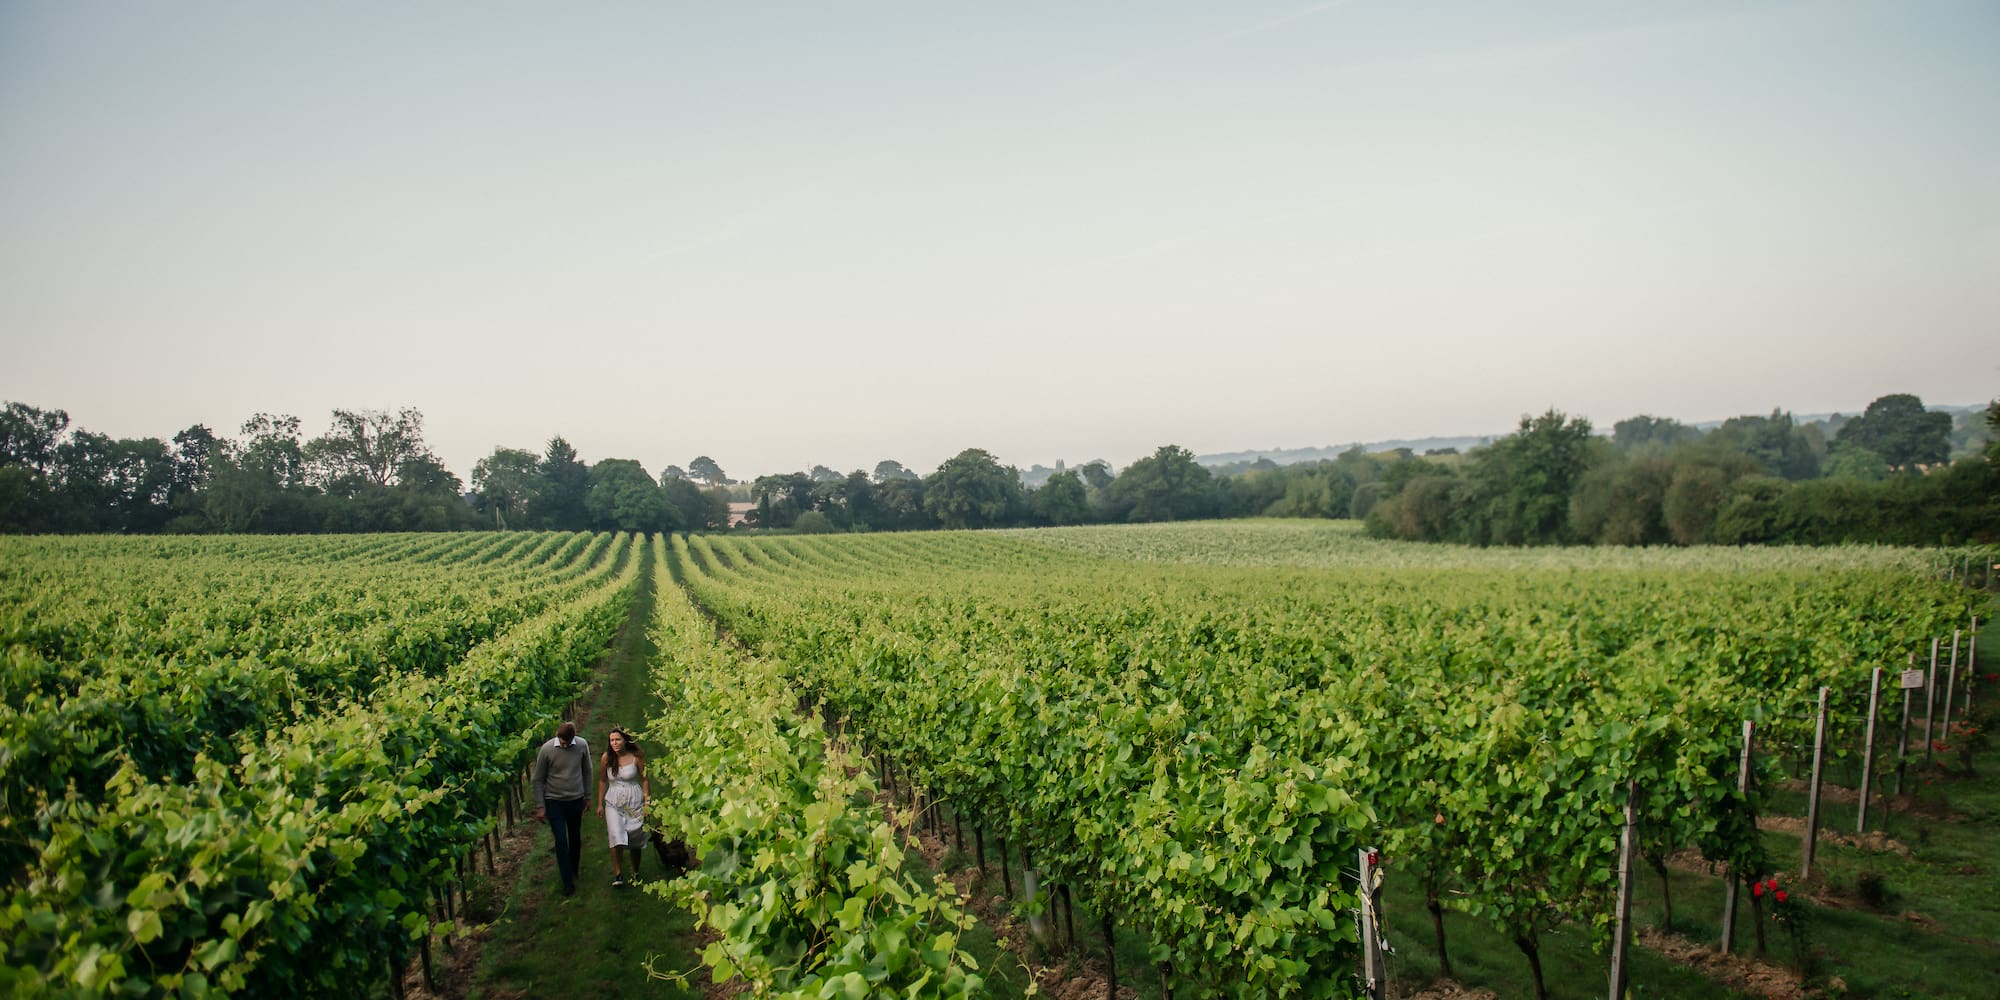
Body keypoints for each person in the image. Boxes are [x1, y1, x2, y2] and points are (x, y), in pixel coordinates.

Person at [531, 720, 593, 897]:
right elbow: (538, 779)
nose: (564, 746)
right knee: (561, 840)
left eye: (567, 743)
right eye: (562, 743)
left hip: (575, 799)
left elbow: (587, 771)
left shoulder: (581, 745)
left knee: (575, 838)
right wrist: (540, 806)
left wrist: (587, 796)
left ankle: (574, 868)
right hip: (554, 801)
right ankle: (567, 882)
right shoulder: (547, 749)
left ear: (573, 738)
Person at [597, 727, 651, 886]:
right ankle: (618, 874)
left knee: (635, 836)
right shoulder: (607, 758)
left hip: (633, 799)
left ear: (625, 740)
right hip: (614, 801)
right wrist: (599, 803)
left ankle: (636, 871)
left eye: (617, 739)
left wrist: (647, 802)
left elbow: (645, 779)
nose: (614, 743)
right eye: (612, 740)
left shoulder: (636, 757)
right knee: (616, 835)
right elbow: (602, 781)